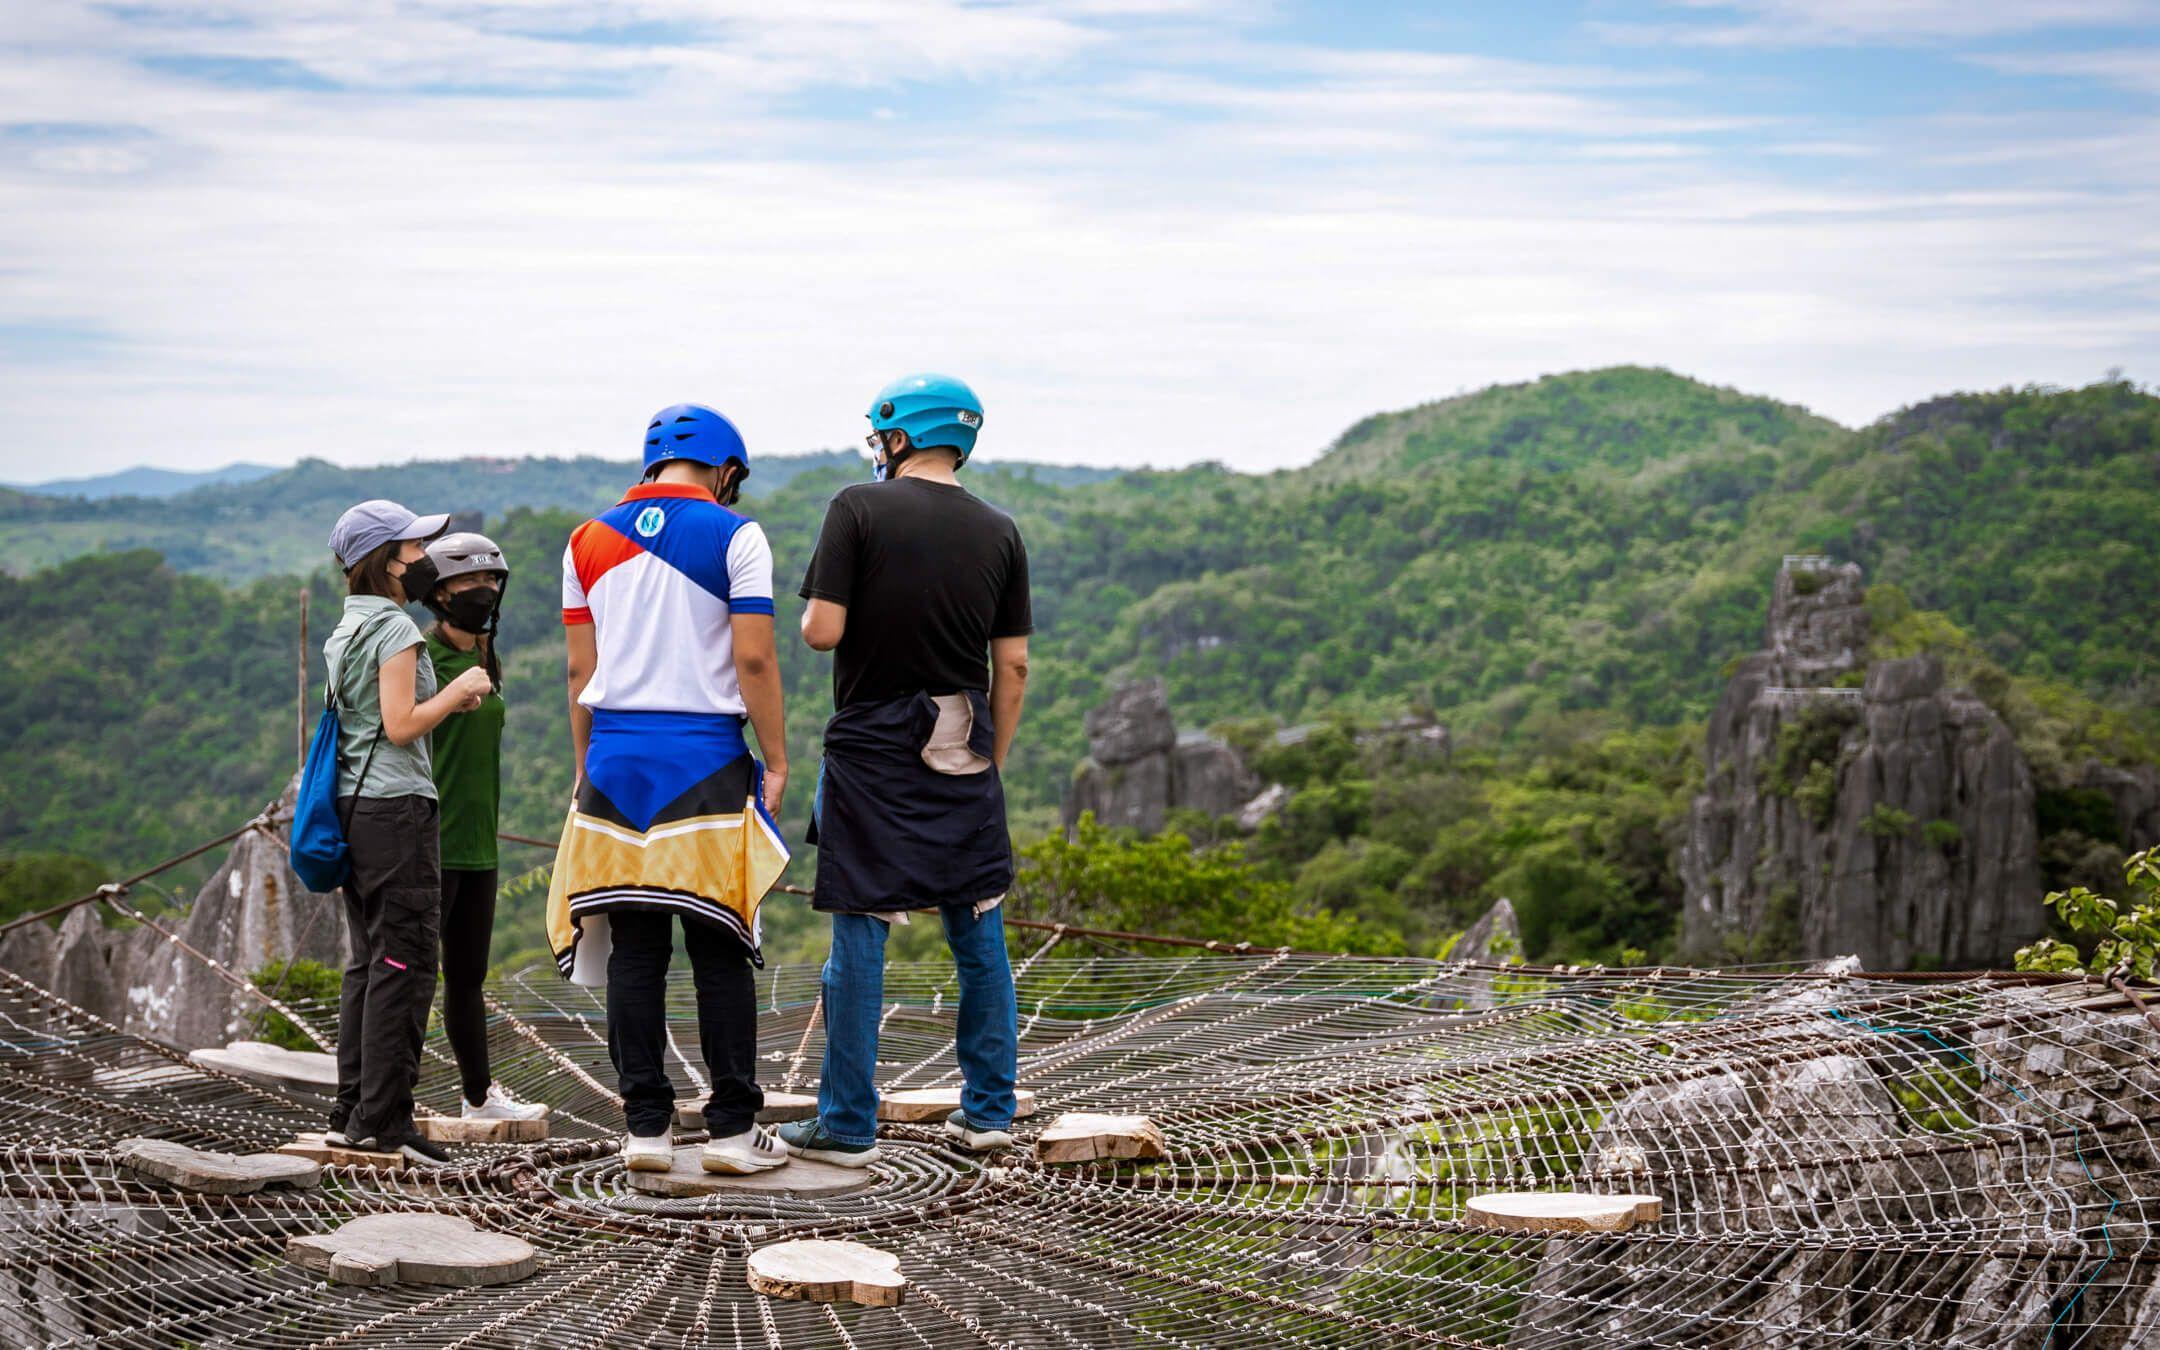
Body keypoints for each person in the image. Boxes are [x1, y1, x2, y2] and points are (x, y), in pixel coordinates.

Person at [778, 373, 1031, 1168]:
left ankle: (847, 1123)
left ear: (898, 436)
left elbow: (822, 632)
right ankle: (988, 1111)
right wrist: (995, 757)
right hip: (962, 730)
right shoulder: (1001, 529)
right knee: (977, 924)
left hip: (872, 737)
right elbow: (1013, 664)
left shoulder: (856, 507)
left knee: (861, 923)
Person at [546, 403, 794, 1177]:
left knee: (635, 952)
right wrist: (778, 759)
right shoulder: (736, 535)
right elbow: (753, 662)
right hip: (706, 761)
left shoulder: (585, 541)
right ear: (725, 471)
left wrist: (587, 767)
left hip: (616, 761)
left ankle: (646, 1130)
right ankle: (729, 1133)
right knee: (721, 948)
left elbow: (580, 674)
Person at [323, 500, 494, 1167]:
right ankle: (388, 1121)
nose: (424, 558)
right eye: (413, 547)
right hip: (397, 810)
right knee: (407, 961)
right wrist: (460, 690)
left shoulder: (349, 625)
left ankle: (352, 1111)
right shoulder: (393, 626)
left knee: (369, 962)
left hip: (355, 807)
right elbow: (400, 724)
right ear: (385, 559)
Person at [417, 531, 548, 1125]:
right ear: (440, 594)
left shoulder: (484, 656)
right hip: (426, 841)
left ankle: (477, 1096)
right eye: (470, 583)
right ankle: (387, 1094)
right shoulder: (419, 660)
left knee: (466, 977)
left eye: (492, 581)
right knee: (410, 976)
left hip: (478, 844)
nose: (485, 592)